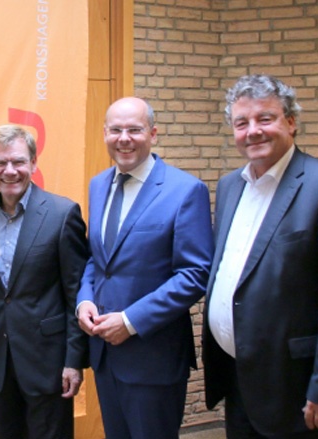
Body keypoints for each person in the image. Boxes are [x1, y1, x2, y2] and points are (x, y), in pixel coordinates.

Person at [202, 74, 318, 438]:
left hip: (301, 389)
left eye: (265, 118)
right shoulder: (230, 186)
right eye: (241, 122)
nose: (253, 131)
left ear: (291, 122)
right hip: (239, 380)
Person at [76, 97, 214, 439]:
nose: (124, 138)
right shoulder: (99, 185)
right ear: (105, 134)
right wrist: (84, 299)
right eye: (116, 130)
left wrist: (131, 321)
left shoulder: (185, 191)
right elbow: (98, 259)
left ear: (153, 134)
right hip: (105, 354)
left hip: (153, 358)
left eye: (134, 130)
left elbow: (195, 274)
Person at [0, 125, 89, 438]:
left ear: (33, 163)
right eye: (0, 162)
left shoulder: (62, 214)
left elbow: (76, 294)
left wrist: (73, 361)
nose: (10, 171)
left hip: (49, 364)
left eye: (18, 161)